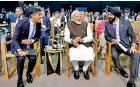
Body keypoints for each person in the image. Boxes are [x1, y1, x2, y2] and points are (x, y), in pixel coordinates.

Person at [105, 7, 140, 87]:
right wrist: (113, 40)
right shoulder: (107, 24)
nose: (108, 16)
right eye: (108, 14)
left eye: (110, 14)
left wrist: (133, 45)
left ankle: (131, 80)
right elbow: (106, 36)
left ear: (116, 15)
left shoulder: (126, 22)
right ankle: (120, 69)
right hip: (114, 46)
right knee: (114, 55)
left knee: (136, 55)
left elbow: (133, 35)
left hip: (126, 45)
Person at [11, 7, 42, 87]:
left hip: (28, 46)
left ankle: (28, 72)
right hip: (18, 46)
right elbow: (14, 39)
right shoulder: (21, 22)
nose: (41, 16)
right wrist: (19, 50)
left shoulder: (38, 23)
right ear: (33, 15)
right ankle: (20, 79)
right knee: (21, 58)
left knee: (33, 57)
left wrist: (31, 40)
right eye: (39, 14)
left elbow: (38, 36)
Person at [64, 10, 94, 80]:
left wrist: (82, 39)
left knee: (90, 52)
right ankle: (76, 68)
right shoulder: (68, 24)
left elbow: (90, 37)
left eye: (80, 16)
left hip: (85, 44)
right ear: (73, 17)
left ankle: (85, 69)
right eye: (77, 16)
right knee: (73, 53)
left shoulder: (86, 24)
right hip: (74, 44)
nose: (80, 18)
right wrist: (72, 40)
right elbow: (66, 37)